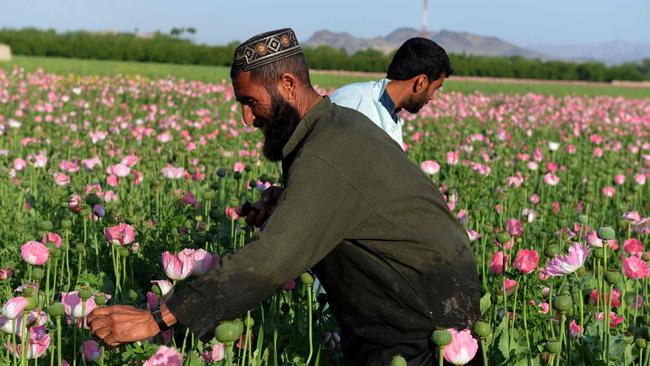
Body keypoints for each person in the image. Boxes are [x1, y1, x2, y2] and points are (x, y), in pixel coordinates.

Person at [88, 28, 480, 365]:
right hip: (410, 296)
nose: (246, 118)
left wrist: (156, 319)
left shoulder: (328, 151)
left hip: (419, 311)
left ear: (288, 85)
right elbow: (354, 202)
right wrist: (289, 200)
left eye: (250, 101)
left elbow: (271, 260)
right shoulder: (334, 126)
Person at [330, 37, 451, 148]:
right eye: (434, 89)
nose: (432, 97)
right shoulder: (352, 100)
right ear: (421, 83)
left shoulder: (392, 113)